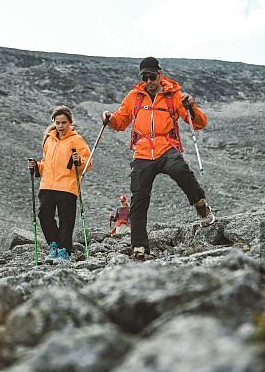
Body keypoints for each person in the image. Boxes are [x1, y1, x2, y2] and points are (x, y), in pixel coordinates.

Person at [101, 56, 215, 261]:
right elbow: (121, 122)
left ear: (160, 75)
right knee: (139, 199)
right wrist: (109, 119)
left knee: (181, 171)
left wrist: (191, 106)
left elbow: (198, 123)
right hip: (142, 152)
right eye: (144, 77)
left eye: (152, 76)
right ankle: (139, 248)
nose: (148, 81)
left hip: (166, 148)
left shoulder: (174, 96)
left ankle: (200, 204)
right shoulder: (133, 97)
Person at [28, 105, 92, 262]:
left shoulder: (76, 140)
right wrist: (37, 166)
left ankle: (64, 251)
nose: (61, 126)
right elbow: (46, 162)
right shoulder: (49, 140)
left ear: (70, 122)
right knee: (44, 214)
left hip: (67, 186)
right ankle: (54, 245)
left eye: (64, 122)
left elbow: (88, 162)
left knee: (66, 219)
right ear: (54, 123)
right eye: (58, 123)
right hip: (47, 185)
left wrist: (80, 161)